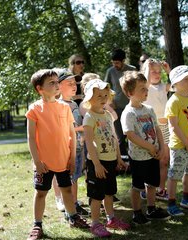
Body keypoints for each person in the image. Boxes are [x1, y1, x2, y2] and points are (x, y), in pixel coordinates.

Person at [26, 69, 89, 240]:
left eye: (56, 81)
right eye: (51, 83)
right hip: (44, 163)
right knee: (41, 193)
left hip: (63, 160)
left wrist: (72, 159)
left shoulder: (65, 107)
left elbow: (72, 135)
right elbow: (31, 138)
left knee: (67, 190)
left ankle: (73, 217)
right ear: (40, 89)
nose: (56, 85)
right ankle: (37, 225)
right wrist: (37, 161)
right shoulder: (34, 109)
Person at [120, 70, 171, 225]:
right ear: (130, 93)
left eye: (146, 88)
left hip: (153, 155)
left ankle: (151, 208)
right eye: (142, 89)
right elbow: (130, 135)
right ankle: (137, 212)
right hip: (138, 158)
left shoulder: (148, 110)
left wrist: (161, 148)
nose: (146, 91)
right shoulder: (129, 113)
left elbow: (157, 130)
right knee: (137, 186)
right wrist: (149, 146)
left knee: (152, 184)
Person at [82, 79, 130, 237]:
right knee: (96, 195)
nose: (103, 98)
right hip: (97, 163)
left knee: (109, 192)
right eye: (98, 96)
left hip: (110, 161)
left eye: (105, 95)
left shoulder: (108, 115)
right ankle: (95, 223)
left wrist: (118, 158)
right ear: (89, 99)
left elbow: (114, 139)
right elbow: (88, 141)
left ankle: (111, 219)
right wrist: (96, 164)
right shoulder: (89, 117)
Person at [165, 65, 188, 216]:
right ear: (175, 83)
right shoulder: (173, 101)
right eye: (185, 79)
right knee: (174, 175)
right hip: (179, 146)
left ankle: (187, 199)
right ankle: (171, 203)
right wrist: (187, 144)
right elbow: (173, 126)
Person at [58, 69, 89, 216]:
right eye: (69, 83)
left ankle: (75, 203)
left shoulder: (73, 104)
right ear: (58, 87)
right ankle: (69, 208)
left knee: (75, 178)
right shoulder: (60, 105)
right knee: (69, 179)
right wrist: (84, 127)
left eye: (74, 83)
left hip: (79, 147)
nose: (74, 85)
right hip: (67, 149)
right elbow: (64, 128)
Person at [141, 58, 171, 201]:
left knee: (164, 160)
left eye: (159, 72)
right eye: (153, 71)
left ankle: (161, 189)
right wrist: (147, 67)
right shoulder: (145, 87)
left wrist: (168, 71)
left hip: (165, 127)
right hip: (150, 128)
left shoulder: (163, 86)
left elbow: (176, 85)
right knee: (149, 159)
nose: (157, 74)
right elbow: (145, 83)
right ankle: (145, 188)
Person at [104, 49, 136, 156]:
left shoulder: (132, 70)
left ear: (123, 61)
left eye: (117, 63)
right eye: (113, 63)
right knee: (120, 137)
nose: (115, 65)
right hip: (117, 108)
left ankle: (133, 159)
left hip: (131, 107)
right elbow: (106, 88)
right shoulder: (110, 71)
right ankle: (122, 163)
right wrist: (110, 101)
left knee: (132, 134)